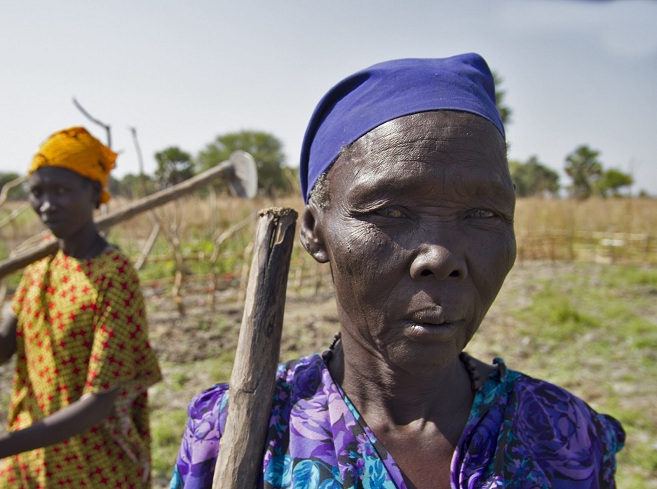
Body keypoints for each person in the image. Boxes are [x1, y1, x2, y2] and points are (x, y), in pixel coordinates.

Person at [170, 54, 625, 488]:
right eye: (390, 210)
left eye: (484, 214)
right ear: (313, 231)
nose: (441, 257)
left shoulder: (564, 437)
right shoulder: (240, 432)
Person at [0, 127, 162, 489]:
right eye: (37, 193)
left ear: (94, 193)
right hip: (30, 453)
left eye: (61, 190)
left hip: (93, 464)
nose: (47, 204)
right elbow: (1, 349)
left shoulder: (112, 275)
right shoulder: (41, 263)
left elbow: (99, 402)